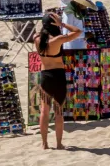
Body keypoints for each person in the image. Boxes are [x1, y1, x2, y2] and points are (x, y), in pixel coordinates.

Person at [33, 12, 83, 150]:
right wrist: (62, 24)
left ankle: (44, 143)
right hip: (58, 76)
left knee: (44, 110)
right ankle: (59, 143)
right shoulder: (57, 40)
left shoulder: (36, 38)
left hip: (45, 76)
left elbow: (41, 33)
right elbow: (78, 31)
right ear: (54, 25)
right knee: (58, 111)